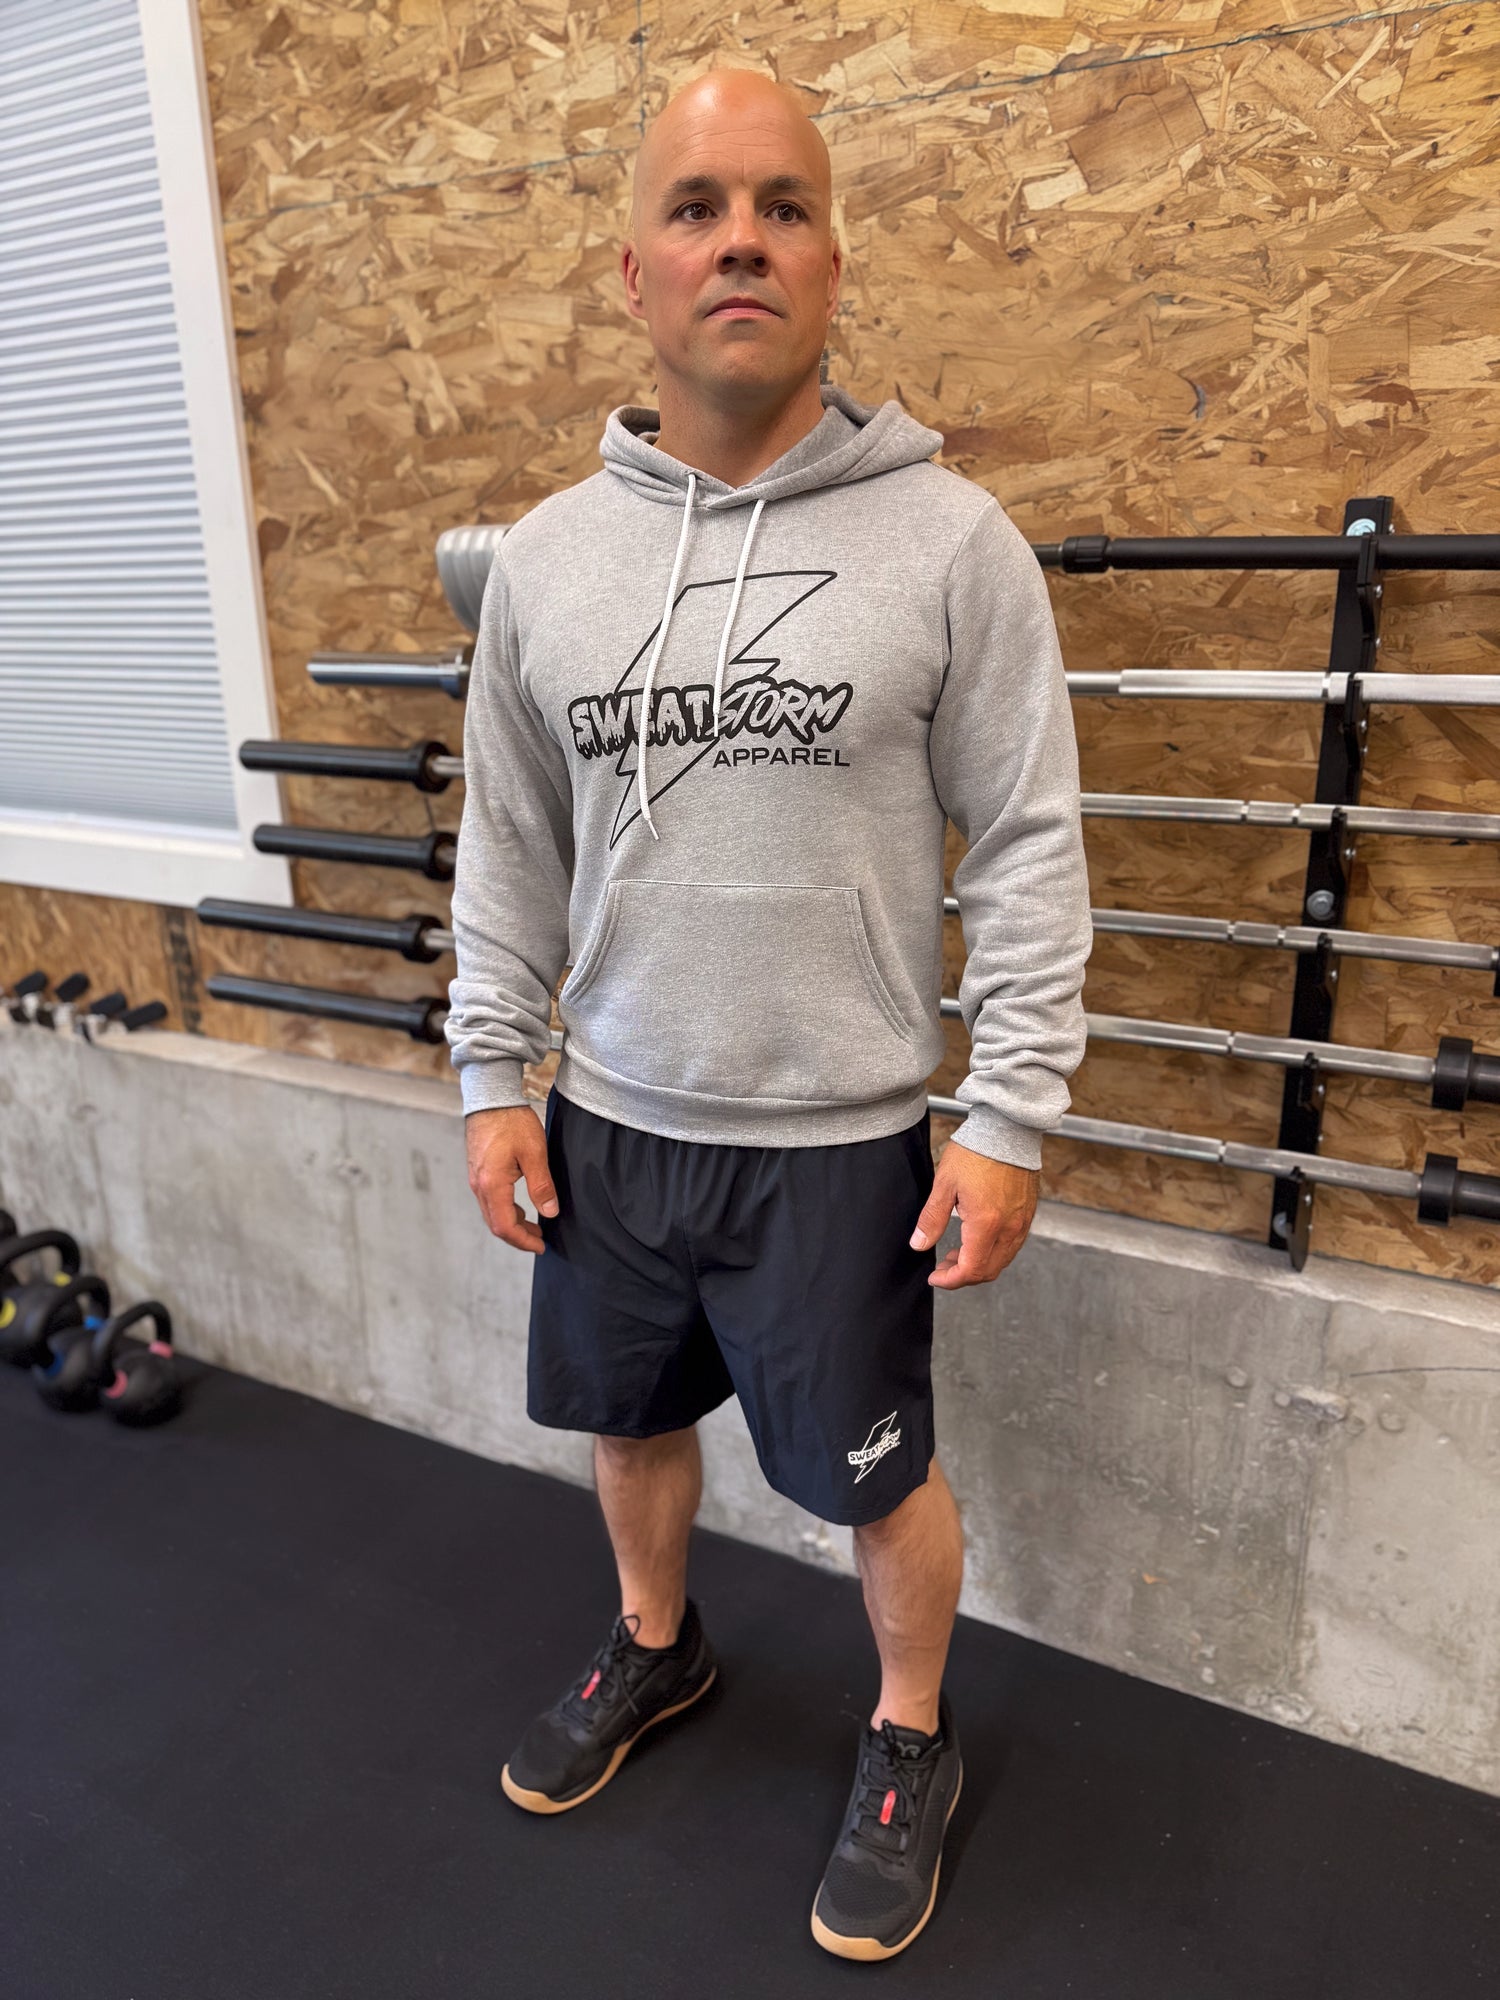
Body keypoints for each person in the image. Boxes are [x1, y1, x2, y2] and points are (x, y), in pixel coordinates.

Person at [445, 67, 1092, 1963]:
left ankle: (909, 1738)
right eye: (703, 206)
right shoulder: (552, 562)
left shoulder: (952, 542)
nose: (745, 236)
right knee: (629, 1427)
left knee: (879, 1483)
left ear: (828, 259)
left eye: (786, 206)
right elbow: (509, 846)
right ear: (635, 268)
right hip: (615, 1118)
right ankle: (660, 1648)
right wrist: (498, 1077)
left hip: (842, 1149)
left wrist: (1008, 1116)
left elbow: (1037, 843)